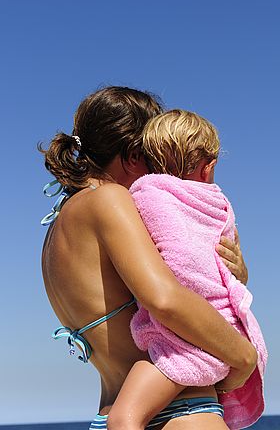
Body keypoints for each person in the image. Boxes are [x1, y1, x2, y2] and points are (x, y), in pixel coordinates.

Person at [40, 86, 257, 430]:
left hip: (114, 411)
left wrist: (235, 271)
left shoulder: (58, 228)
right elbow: (166, 299)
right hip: (180, 412)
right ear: (132, 155)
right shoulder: (109, 200)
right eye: (156, 158)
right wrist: (244, 357)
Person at [107, 110, 267, 430]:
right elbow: (227, 264)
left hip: (182, 344)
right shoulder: (220, 203)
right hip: (224, 335)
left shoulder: (145, 194)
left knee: (123, 419)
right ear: (208, 167)